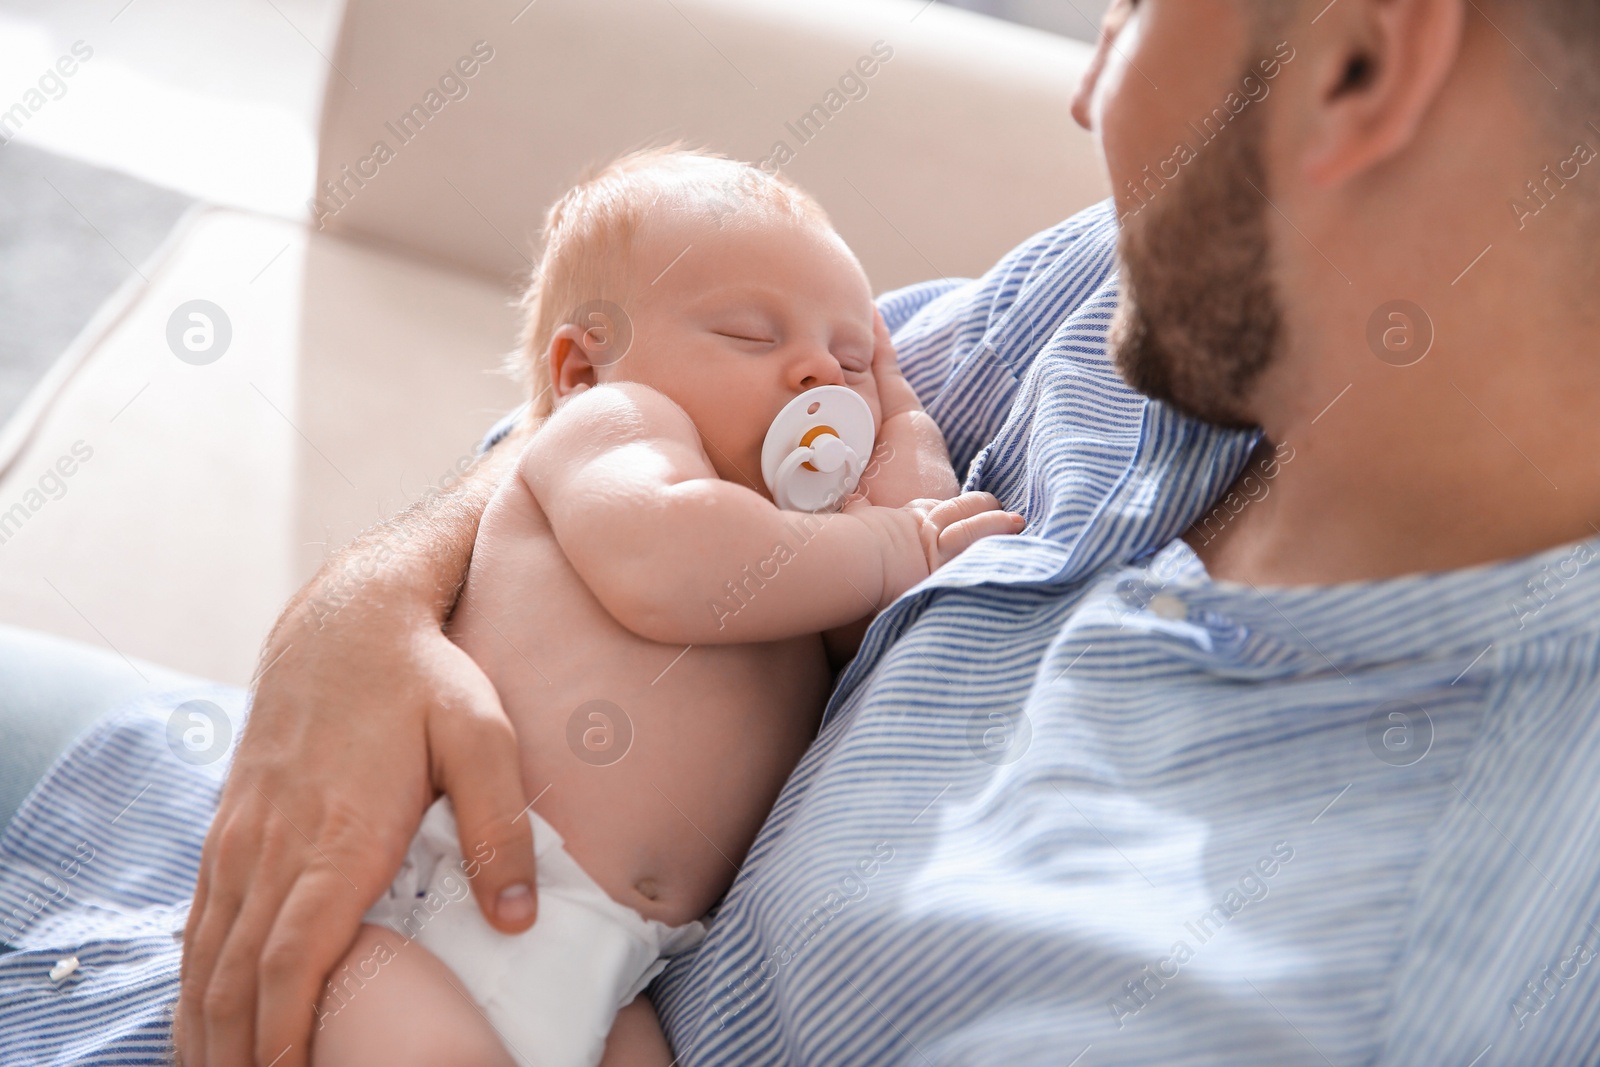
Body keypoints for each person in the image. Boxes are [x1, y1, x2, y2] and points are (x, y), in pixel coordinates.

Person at [2, 0, 1598, 1063]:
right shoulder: (1150, 298)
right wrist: (365, 608)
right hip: (153, 830)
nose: (1089, 74)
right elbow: (623, 436)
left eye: (1133, 0)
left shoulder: (1323, 981)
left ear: (1362, 66)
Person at [302, 146, 1019, 1067]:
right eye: (752, 336)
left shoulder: (805, 552)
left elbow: (881, 618)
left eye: (850, 357)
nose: (819, 377)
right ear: (581, 369)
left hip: (614, 974)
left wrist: (905, 430)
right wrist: (901, 541)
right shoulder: (613, 430)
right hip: (431, 915)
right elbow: (668, 562)